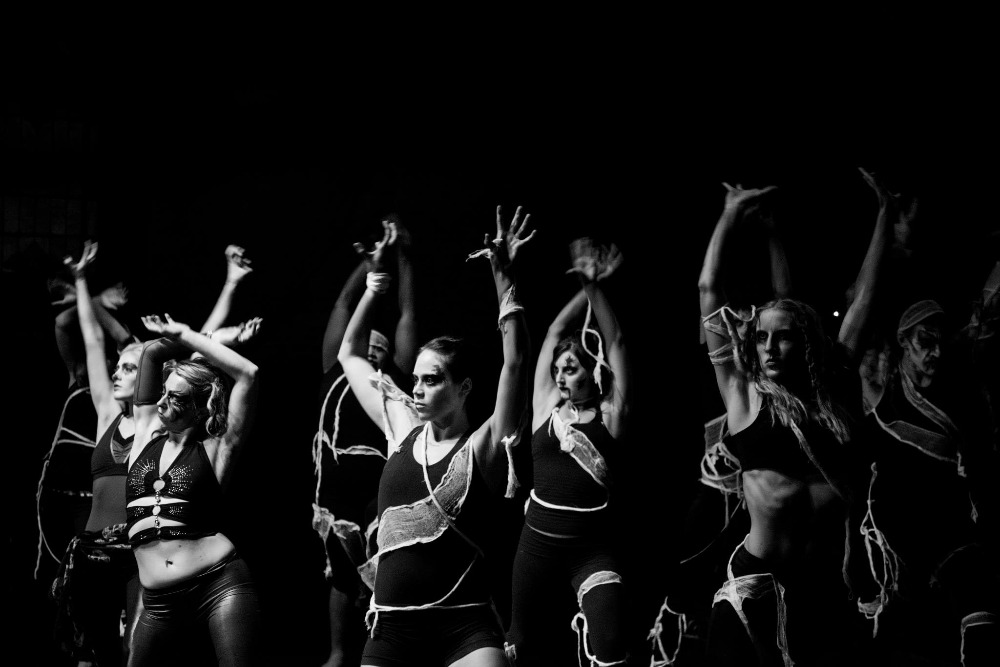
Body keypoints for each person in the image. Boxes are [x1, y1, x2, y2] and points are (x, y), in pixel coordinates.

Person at [338, 205, 534, 667]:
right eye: (417, 379)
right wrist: (373, 287)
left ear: (463, 388)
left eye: (432, 379)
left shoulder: (483, 445)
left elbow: (516, 363)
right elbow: (349, 353)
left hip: (464, 627)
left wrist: (503, 277)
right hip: (393, 630)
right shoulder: (403, 427)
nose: (417, 389)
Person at [698, 179, 882, 666]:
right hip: (755, 582)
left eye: (782, 338)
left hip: (822, 588)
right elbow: (708, 290)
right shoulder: (744, 395)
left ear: (805, 343)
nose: (769, 348)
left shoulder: (834, 392)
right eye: (760, 338)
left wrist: (884, 211)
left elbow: (865, 299)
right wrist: (730, 213)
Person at [505, 237, 630, 667]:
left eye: (571, 369)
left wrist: (596, 288)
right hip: (536, 546)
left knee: (611, 646)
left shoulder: (611, 414)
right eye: (557, 369)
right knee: (520, 645)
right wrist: (585, 285)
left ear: (593, 373)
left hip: (590, 550)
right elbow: (555, 332)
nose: (560, 377)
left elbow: (616, 344)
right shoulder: (546, 407)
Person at [124, 309, 261, 667]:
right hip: (158, 602)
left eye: (177, 398)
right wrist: (187, 336)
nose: (162, 402)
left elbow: (248, 373)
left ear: (201, 408)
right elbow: (151, 352)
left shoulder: (216, 448)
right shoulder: (145, 435)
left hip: (219, 585)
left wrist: (185, 333)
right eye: (164, 393)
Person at [312, 216, 418, 667]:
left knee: (386, 571)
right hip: (335, 489)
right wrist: (371, 265)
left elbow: (408, 312)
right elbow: (343, 303)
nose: (372, 346)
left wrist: (404, 257)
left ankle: (387, 647)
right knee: (340, 574)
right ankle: (339, 654)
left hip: (380, 485)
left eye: (381, 345)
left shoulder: (393, 381)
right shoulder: (336, 369)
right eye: (365, 340)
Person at [49, 241, 142, 666]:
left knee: (133, 650)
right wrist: (83, 280)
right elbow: (91, 339)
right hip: (92, 549)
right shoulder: (106, 411)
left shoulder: (159, 423)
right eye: (117, 366)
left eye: (129, 367)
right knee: (88, 652)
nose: (116, 371)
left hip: (137, 552)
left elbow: (158, 352)